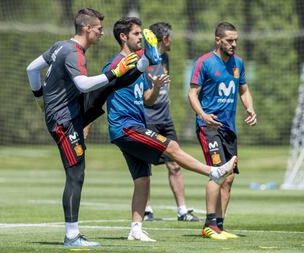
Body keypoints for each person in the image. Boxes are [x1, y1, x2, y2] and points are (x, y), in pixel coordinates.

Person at [103, 17, 237, 242]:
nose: (140, 38)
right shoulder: (116, 65)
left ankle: (136, 229)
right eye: (137, 34)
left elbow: (147, 100)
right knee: (171, 146)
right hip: (125, 127)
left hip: (136, 126)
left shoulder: (138, 65)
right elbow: (99, 93)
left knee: (143, 178)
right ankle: (212, 172)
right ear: (124, 37)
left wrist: (155, 87)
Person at [26, 8, 141, 247]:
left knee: (110, 84)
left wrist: (39, 98)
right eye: (98, 29)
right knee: (75, 175)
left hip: (68, 116)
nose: (101, 33)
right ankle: (71, 236)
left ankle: (142, 65)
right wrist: (113, 72)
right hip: (64, 121)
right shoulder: (73, 52)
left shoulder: (60, 46)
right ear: (87, 28)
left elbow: (31, 69)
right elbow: (83, 84)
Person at [188, 22, 257, 240]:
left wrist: (250, 108)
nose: (234, 44)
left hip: (229, 129)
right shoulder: (204, 62)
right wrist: (203, 115)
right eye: (229, 40)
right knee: (217, 171)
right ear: (218, 40)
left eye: (236, 40)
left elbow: (244, 90)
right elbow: (192, 93)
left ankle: (219, 225)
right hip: (209, 127)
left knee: (228, 178)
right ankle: (208, 225)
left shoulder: (239, 63)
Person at [143, 22, 200, 222]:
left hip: (165, 119)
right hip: (147, 119)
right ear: (164, 38)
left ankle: (182, 210)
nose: (173, 40)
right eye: (171, 36)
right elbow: (144, 97)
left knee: (175, 164)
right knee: (144, 166)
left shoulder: (165, 56)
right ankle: (146, 209)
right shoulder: (143, 59)